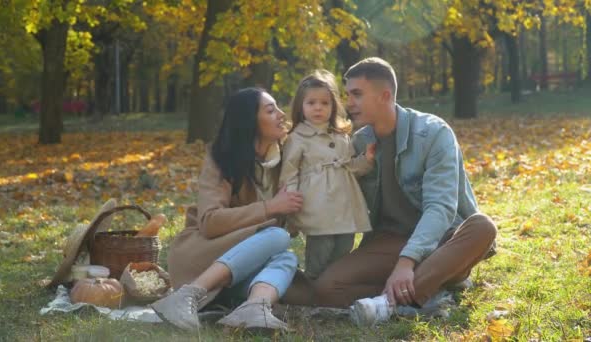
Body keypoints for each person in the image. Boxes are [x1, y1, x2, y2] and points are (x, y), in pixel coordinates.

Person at [313, 57, 497, 325]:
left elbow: (441, 208)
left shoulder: (433, 133)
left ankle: (388, 303)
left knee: (483, 228)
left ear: (384, 96)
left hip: (443, 240)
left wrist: (406, 262)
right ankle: (432, 287)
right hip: (389, 240)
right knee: (326, 288)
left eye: (356, 94)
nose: (348, 103)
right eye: (348, 94)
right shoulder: (360, 142)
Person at [151, 88, 304, 331]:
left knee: (287, 257)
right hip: (202, 258)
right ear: (249, 120)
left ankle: (255, 308)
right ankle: (187, 296)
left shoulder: (285, 161)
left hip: (236, 278)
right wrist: (270, 207)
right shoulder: (221, 158)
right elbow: (211, 222)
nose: (281, 114)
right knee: (277, 236)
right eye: (270, 109)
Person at [279, 70, 375, 279]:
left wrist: (366, 160)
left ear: (333, 107)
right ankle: (313, 286)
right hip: (317, 205)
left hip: (344, 205)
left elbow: (350, 166)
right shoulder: (297, 138)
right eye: (311, 102)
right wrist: (290, 205)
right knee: (321, 249)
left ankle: (333, 286)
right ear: (300, 106)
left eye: (324, 103)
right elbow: (289, 173)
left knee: (343, 247)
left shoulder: (340, 135)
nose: (318, 108)